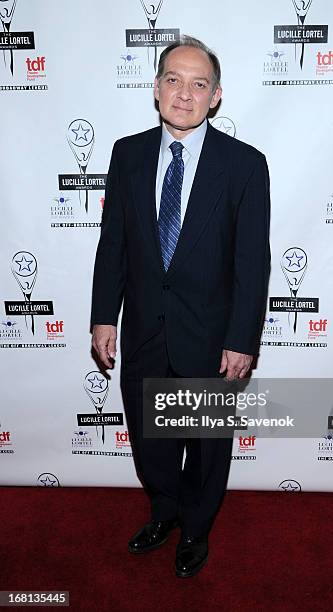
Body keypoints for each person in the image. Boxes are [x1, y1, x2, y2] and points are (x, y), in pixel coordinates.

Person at [90, 35, 270, 578]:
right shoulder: (127, 154)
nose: (184, 94)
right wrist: (103, 315)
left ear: (216, 96)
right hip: (144, 329)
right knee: (151, 440)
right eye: (173, 80)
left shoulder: (244, 165)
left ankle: (195, 527)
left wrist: (242, 337)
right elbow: (113, 243)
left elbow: (252, 263)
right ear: (156, 88)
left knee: (207, 443)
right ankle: (164, 511)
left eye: (198, 84)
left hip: (212, 338)